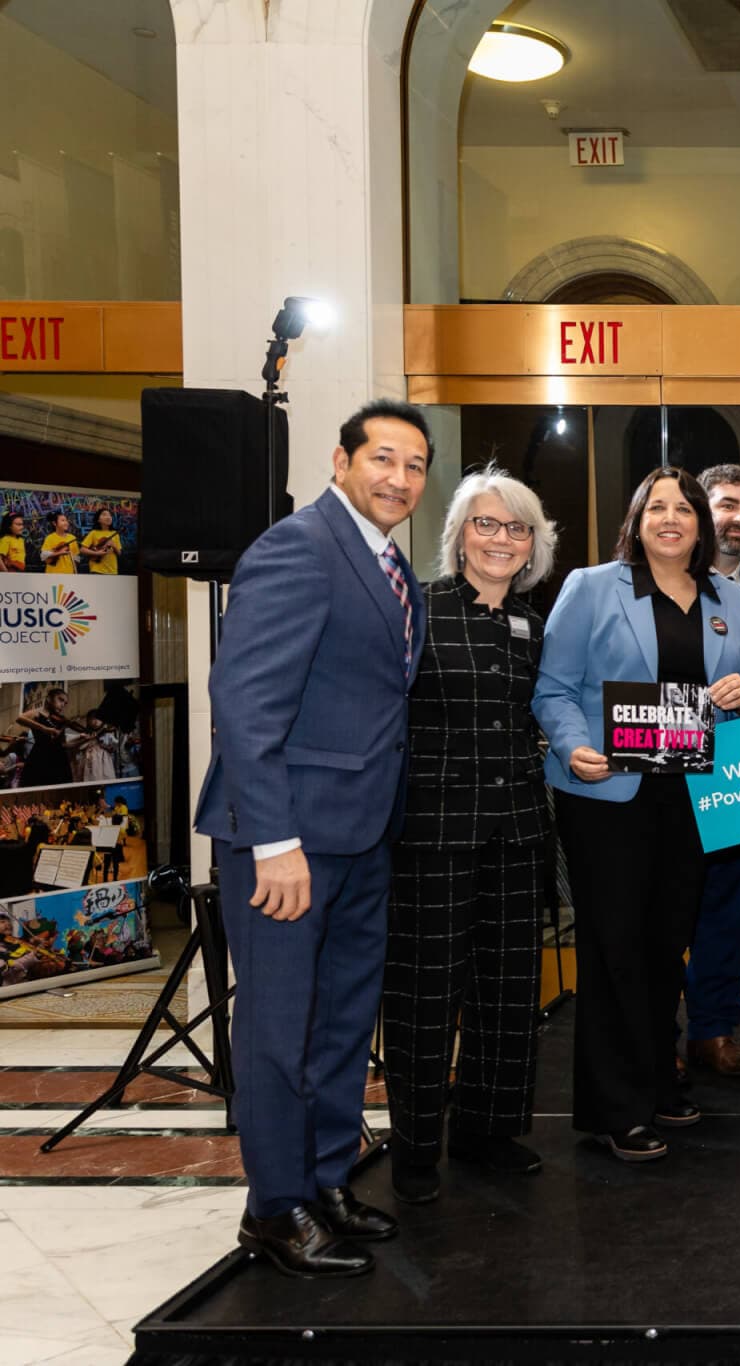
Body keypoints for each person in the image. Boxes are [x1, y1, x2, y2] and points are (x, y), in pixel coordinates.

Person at [193, 398, 431, 1277]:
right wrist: (272, 841)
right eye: (384, 459)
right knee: (277, 1030)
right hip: (287, 846)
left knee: (338, 1025)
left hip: (363, 834)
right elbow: (246, 704)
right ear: (341, 462)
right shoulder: (298, 546)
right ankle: (274, 1206)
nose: (399, 479)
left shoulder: (383, 560)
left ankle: (326, 1179)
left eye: (414, 466)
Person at [534, 467, 740, 1162]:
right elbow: (553, 689)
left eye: (683, 508)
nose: (671, 519)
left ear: (700, 523)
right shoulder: (592, 587)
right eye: (656, 507)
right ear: (636, 520)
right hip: (609, 796)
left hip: (694, 797)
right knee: (614, 949)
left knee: (667, 945)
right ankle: (614, 1107)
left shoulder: (729, 596)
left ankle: (658, 1082)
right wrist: (575, 750)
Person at [382, 466, 559, 1206]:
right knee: (425, 994)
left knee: (509, 987)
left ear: (533, 546)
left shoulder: (531, 624)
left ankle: (490, 1131)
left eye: (517, 528)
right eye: (486, 524)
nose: (501, 538)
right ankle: (417, 1146)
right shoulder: (417, 611)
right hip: (433, 832)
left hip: (518, 829)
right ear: (459, 536)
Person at [683, 463, 740, 1079]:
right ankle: (654, 1030)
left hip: (737, 774)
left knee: (727, 909)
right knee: (663, 909)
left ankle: (714, 1031)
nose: (737, 519)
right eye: (725, 505)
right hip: (660, 772)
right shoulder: (637, 584)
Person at [14, 687, 75, 790]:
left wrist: (84, 739)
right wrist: (45, 729)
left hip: (59, 759)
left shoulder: (60, 720)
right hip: (40, 756)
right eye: (60, 699)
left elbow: (64, 744)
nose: (62, 705)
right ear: (49, 699)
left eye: (65, 703)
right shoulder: (38, 713)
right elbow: (20, 719)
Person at [80, 509, 122, 575]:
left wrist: (114, 546)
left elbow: (119, 553)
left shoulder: (115, 533)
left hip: (112, 570)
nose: (108, 517)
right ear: (98, 520)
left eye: (110, 515)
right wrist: (97, 553)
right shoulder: (94, 533)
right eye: (104, 514)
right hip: (97, 570)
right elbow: (82, 549)